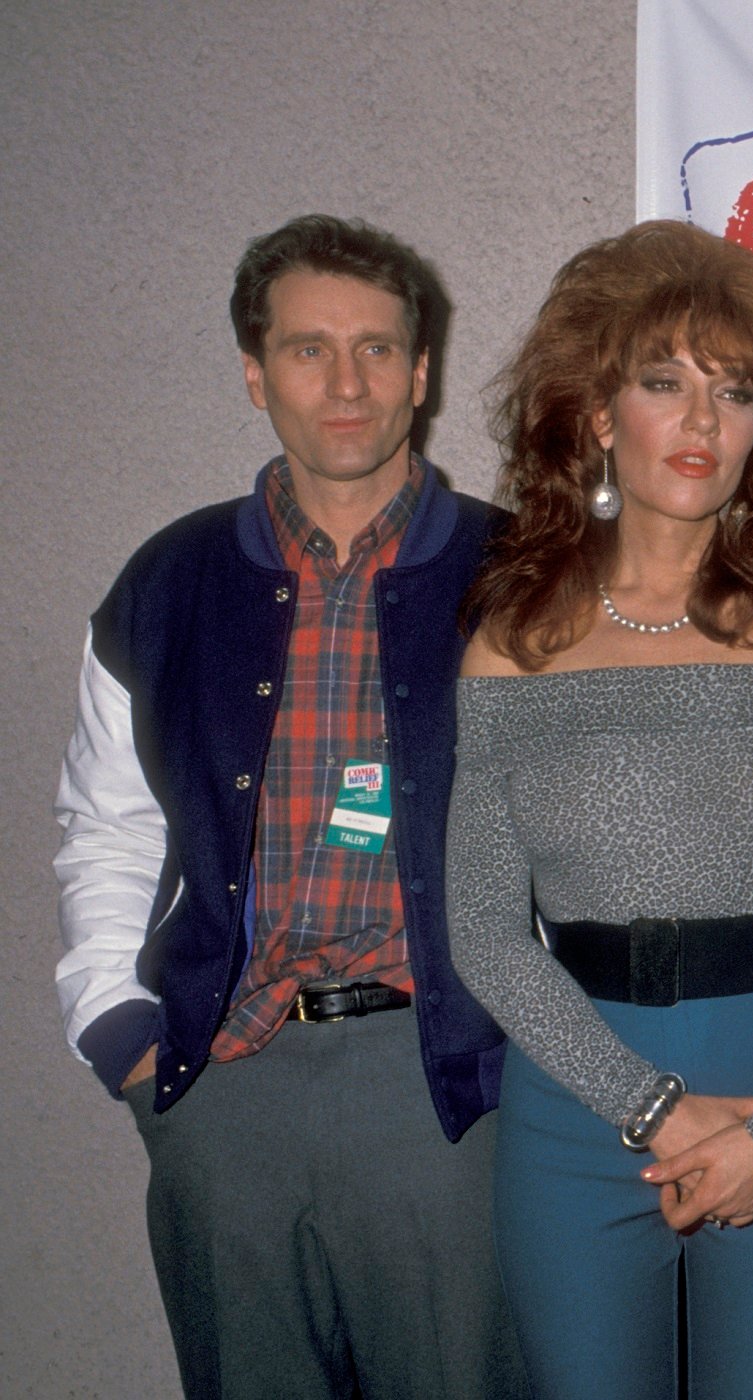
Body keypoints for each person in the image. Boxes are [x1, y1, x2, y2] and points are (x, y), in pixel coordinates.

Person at [52, 215, 526, 1398]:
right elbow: (108, 826)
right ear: (255, 372)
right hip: (226, 1085)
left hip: (446, 1091)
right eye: (310, 349)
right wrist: (118, 1027)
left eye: (377, 348)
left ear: (422, 373)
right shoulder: (169, 582)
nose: (348, 381)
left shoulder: (526, 573)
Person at [445, 219, 753, 1400]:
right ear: (596, 414)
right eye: (663, 382)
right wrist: (652, 1106)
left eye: (734, 392)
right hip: (578, 1110)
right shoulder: (512, 646)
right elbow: (484, 930)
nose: (701, 422)